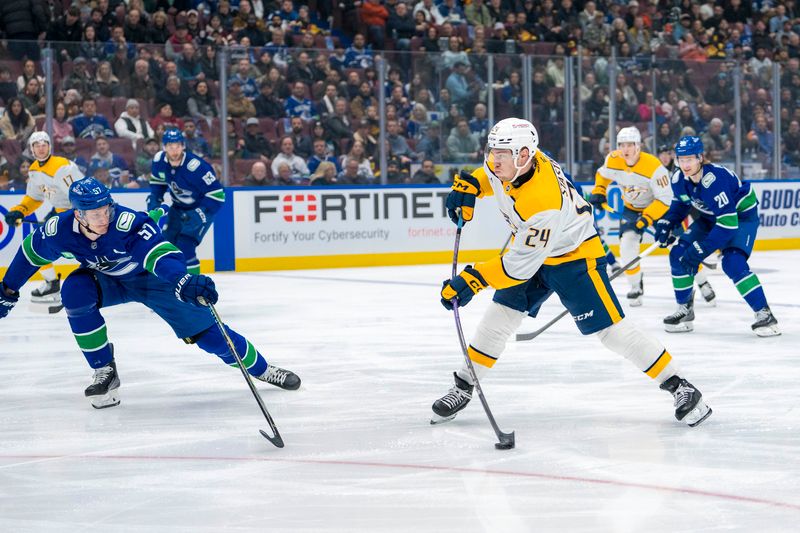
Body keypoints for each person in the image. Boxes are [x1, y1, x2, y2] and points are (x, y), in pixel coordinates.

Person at [432, 118, 712, 428]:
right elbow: (489, 174)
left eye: (502, 154)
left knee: (612, 332)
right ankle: (462, 385)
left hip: (574, 256)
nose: (494, 159)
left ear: (524, 155)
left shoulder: (543, 201)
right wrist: (473, 185)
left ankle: (680, 385)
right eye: (493, 151)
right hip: (534, 247)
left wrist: (473, 279)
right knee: (499, 318)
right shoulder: (514, 160)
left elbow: (516, 267)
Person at [0, 178, 300, 409]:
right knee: (75, 291)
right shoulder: (57, 231)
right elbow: (30, 255)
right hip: (109, 280)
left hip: (152, 280)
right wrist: (8, 289)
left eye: (106, 208)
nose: (103, 217)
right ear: (78, 213)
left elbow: (160, 254)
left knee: (211, 337)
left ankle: (262, 369)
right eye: (95, 213)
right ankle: (105, 371)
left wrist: (182, 280)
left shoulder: (128, 223)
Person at [654, 136, 779, 337]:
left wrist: (701, 250)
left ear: (700, 158)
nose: (684, 164)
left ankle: (765, 314)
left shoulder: (714, 180)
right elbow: (681, 204)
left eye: (689, 159)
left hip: (741, 217)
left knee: (732, 262)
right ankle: (685, 311)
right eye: (681, 159)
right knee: (677, 254)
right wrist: (667, 222)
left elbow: (728, 226)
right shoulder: (678, 178)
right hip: (712, 217)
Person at [2, 131, 84, 313]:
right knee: (37, 243)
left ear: (49, 146)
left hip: (75, 215)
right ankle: (52, 283)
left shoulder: (62, 167)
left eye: (44, 143)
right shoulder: (33, 170)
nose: (41, 147)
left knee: (79, 251)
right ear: (31, 149)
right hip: (60, 214)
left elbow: (82, 195)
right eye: (36, 144)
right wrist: (19, 210)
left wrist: (76, 218)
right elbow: (34, 197)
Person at [589, 127, 672, 306]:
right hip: (631, 209)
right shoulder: (613, 159)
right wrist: (599, 190)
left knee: (677, 245)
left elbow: (665, 200)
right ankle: (636, 286)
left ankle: (702, 281)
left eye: (629, 145)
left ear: (638, 146)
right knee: (627, 246)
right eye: (621, 145)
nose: (625, 149)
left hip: (657, 209)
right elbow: (602, 174)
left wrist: (648, 218)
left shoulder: (654, 167)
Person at [147, 129, 225, 275]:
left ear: (183, 146)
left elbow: (218, 195)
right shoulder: (159, 161)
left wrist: (199, 212)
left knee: (185, 247)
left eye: (177, 145)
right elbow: (157, 186)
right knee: (165, 245)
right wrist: (154, 203)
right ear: (164, 147)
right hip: (178, 209)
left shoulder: (196, 167)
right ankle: (171, 281)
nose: (174, 150)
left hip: (200, 210)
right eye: (170, 146)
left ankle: (194, 286)